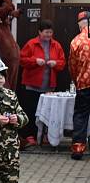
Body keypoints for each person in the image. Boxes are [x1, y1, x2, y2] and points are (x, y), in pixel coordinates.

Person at [19, 20, 65, 148]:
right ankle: (30, 136)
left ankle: (45, 136)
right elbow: (22, 60)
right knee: (32, 111)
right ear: (39, 32)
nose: (48, 35)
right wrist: (35, 61)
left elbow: (62, 62)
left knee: (48, 112)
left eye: (50, 32)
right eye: (46, 32)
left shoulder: (56, 45)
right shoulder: (31, 44)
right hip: (31, 85)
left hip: (49, 86)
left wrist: (55, 63)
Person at [69, 10, 90, 160]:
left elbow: (72, 65)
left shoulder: (76, 41)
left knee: (81, 115)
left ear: (80, 24)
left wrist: (76, 80)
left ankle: (78, 148)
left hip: (84, 84)